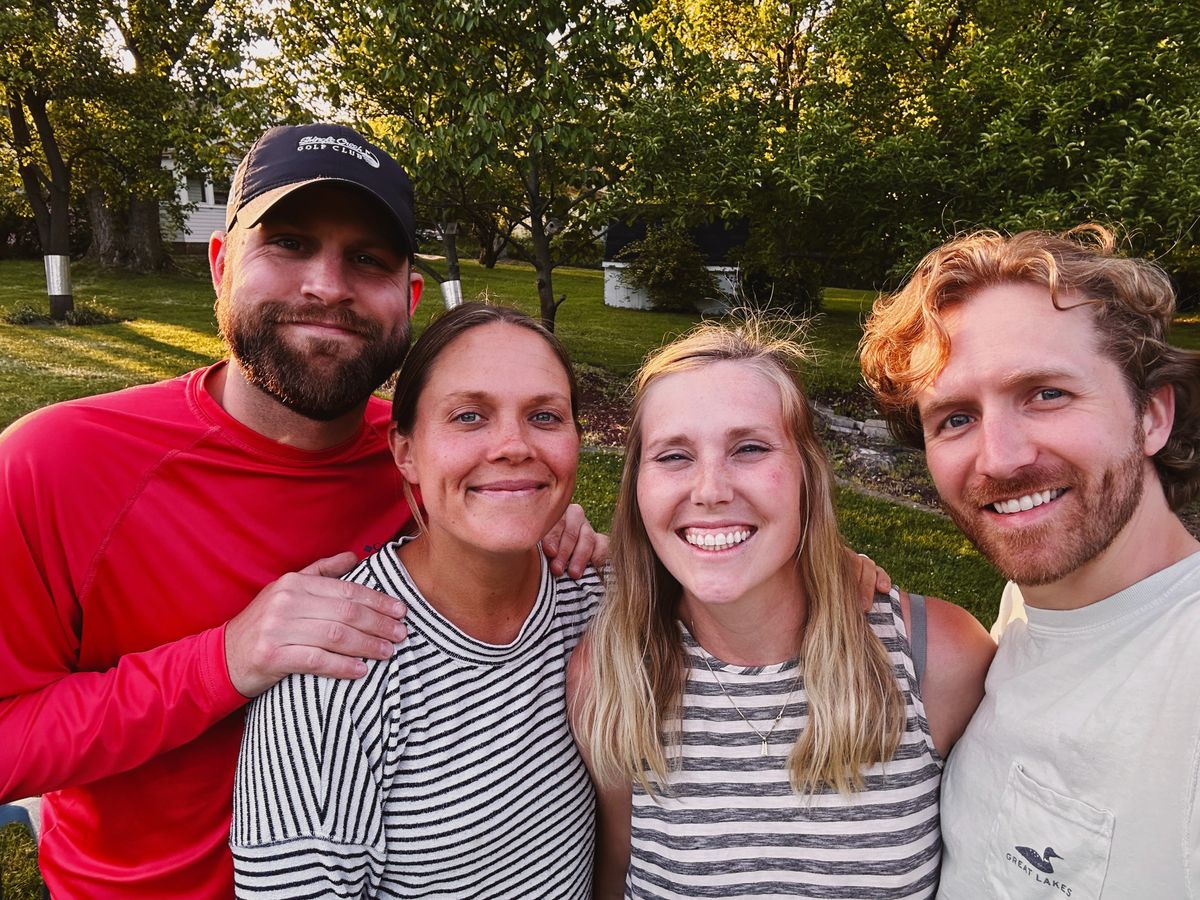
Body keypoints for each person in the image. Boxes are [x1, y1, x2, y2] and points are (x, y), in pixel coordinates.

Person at [0, 124, 599, 898]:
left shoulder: (435, 461)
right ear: (221, 266)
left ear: (408, 300)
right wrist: (222, 661)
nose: (327, 286)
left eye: (369, 259)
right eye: (288, 243)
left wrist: (537, 524)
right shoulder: (58, 463)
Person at [569, 319, 995, 898]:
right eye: (673, 455)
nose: (710, 490)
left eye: (749, 448)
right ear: (637, 488)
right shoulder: (612, 674)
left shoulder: (936, 659)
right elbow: (616, 871)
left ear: (807, 476)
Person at [860, 225, 1200, 898]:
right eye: (956, 418)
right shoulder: (1034, 608)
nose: (1001, 458)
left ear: (1153, 417)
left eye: (1047, 394)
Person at [229, 303, 603, 897]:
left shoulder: (598, 600)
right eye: (469, 416)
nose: (514, 445)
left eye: (545, 416)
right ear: (405, 453)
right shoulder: (339, 670)